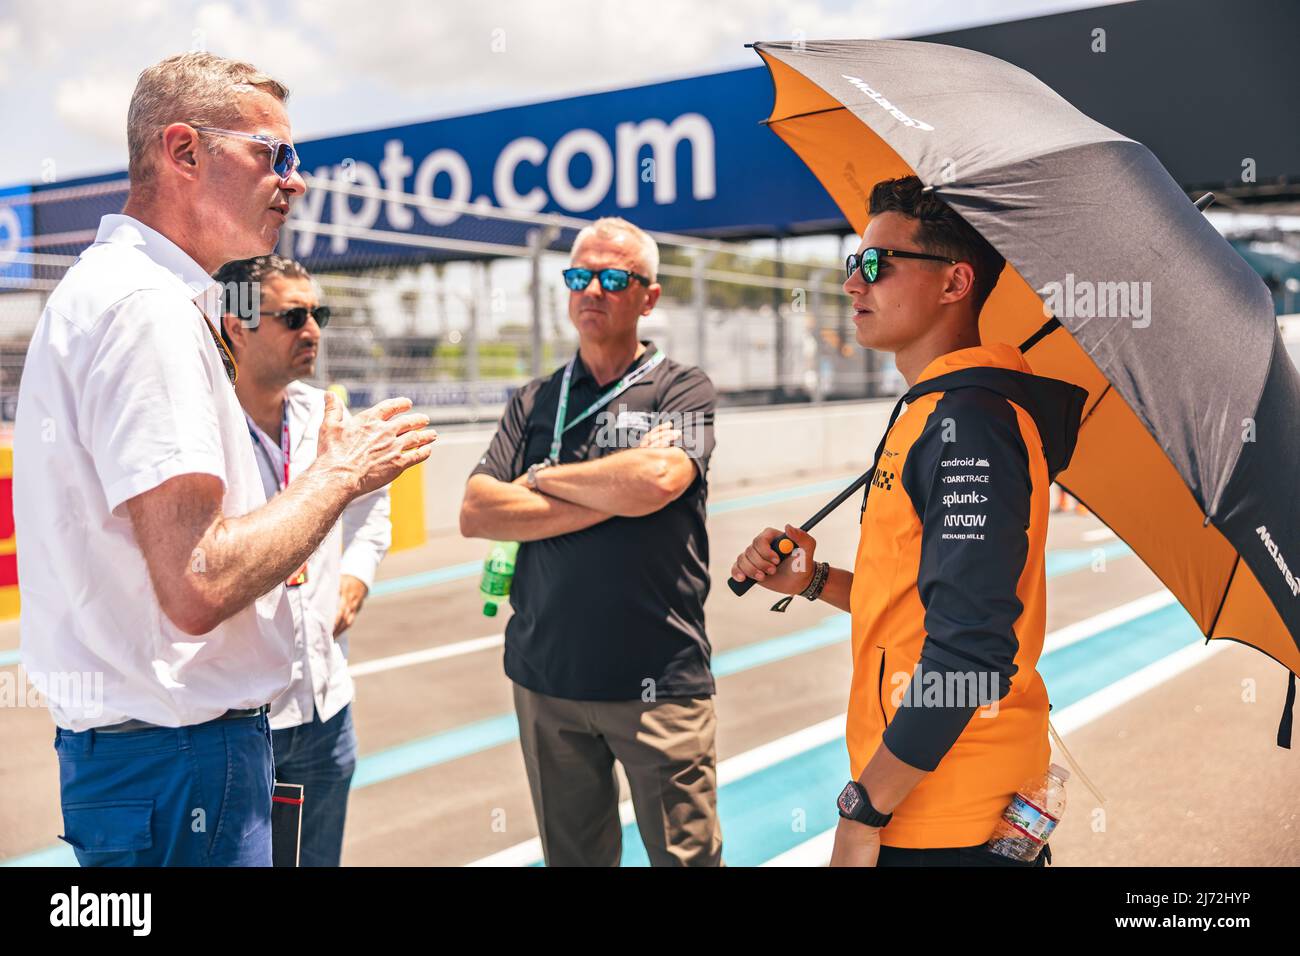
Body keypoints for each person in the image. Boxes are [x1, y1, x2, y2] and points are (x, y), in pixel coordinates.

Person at [12, 52, 435, 867]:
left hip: (151, 761)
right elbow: (199, 581)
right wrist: (343, 472)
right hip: (182, 763)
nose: (295, 180)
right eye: (273, 154)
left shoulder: (117, 292)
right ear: (183, 151)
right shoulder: (149, 310)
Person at [731, 176, 1085, 867]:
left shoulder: (971, 424)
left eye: (876, 264)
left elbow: (973, 654)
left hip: (947, 818)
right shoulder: (935, 410)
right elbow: (922, 601)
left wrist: (864, 809)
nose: (853, 284)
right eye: (850, 265)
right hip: (930, 801)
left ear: (955, 282)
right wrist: (816, 580)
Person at [460, 217, 722, 866]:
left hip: (658, 680)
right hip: (546, 678)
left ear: (649, 296)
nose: (593, 290)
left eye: (613, 278)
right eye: (579, 276)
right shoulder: (535, 399)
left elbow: (659, 477)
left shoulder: (682, 389)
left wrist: (541, 480)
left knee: (686, 861)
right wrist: (615, 490)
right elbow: (476, 509)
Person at [216, 254, 392, 867]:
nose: (312, 329)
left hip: (326, 705)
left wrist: (354, 578)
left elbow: (372, 512)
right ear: (236, 324)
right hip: (237, 719)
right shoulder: (203, 426)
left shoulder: (327, 414)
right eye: (293, 316)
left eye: (319, 313)